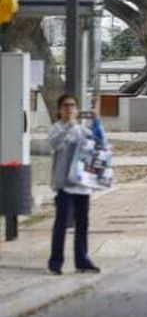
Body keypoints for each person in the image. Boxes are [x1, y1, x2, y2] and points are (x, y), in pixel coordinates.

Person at [47, 94, 100, 275]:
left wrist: (96, 121)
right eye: (65, 106)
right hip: (64, 185)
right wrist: (68, 125)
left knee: (82, 224)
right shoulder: (56, 128)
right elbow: (55, 144)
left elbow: (96, 144)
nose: (69, 109)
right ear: (59, 110)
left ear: (77, 109)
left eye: (72, 106)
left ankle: (82, 260)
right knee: (62, 223)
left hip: (82, 185)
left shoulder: (82, 129)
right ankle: (56, 262)